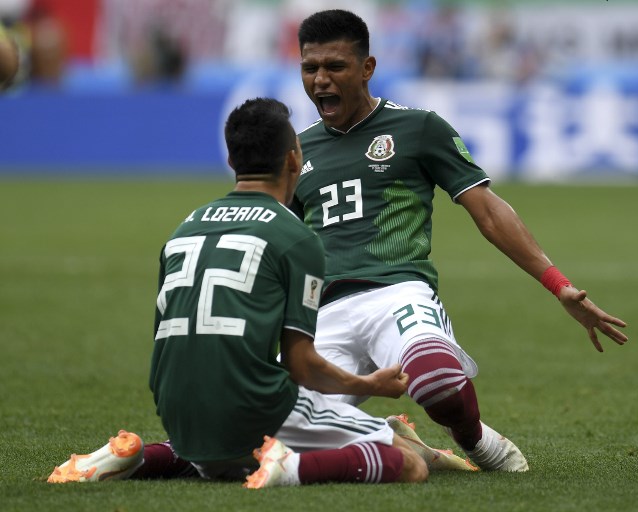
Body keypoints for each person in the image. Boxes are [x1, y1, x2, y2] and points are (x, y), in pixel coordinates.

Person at [290, 9, 629, 472]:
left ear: (367, 68)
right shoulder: (294, 151)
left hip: (396, 294)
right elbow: (280, 244)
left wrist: (557, 283)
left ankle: (474, 438)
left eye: (335, 67)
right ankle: (397, 440)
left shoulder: (418, 128)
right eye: (311, 69)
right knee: (271, 434)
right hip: (321, 314)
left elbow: (488, 211)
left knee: (437, 383)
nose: (321, 81)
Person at [47, 97, 430, 488]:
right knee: (409, 462)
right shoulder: (297, 238)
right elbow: (303, 367)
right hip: (254, 410)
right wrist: (370, 385)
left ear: (231, 161)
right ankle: (288, 469)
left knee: (224, 454)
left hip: (178, 413)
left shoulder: (184, 229)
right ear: (294, 159)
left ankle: (138, 457)